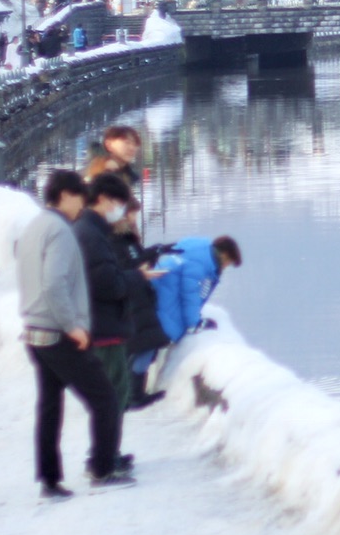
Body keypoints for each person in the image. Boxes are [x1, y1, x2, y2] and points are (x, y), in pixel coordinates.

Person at [17, 169, 132, 500]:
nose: (83, 204)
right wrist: (73, 326)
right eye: (80, 196)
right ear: (66, 195)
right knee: (106, 397)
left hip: (34, 330)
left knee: (50, 406)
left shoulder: (34, 227)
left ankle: (49, 480)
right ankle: (102, 468)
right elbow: (54, 283)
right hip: (58, 332)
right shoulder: (60, 231)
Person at [73, 173, 142, 418]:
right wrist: (137, 277)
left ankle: (110, 453)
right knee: (115, 393)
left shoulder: (88, 229)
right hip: (103, 326)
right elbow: (107, 284)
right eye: (119, 203)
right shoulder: (92, 235)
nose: (121, 211)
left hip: (100, 323)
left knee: (112, 395)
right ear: (103, 199)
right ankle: (107, 454)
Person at [152, 234, 242, 344]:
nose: (226, 266)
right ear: (224, 255)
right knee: (148, 353)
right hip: (161, 315)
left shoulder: (201, 249)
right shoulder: (201, 264)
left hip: (153, 297)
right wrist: (194, 324)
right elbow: (190, 294)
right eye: (229, 262)